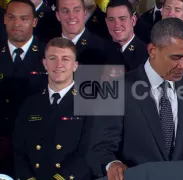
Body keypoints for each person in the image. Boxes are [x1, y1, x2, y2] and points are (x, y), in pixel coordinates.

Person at [90, 18, 183, 179]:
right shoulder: (116, 89)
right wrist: (112, 164)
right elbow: (101, 148)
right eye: (176, 57)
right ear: (152, 50)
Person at [13, 37, 93, 180]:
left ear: (75, 65)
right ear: (44, 63)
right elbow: (18, 149)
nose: (58, 64)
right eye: (53, 58)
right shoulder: (31, 103)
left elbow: (89, 151)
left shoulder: (91, 104)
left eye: (65, 59)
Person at [0, 0, 47, 175]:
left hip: (38, 146)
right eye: (11, 17)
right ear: (4, 19)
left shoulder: (49, 55)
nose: (17, 23)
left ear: (34, 22)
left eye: (24, 18)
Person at [55, 0, 120, 65]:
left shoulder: (106, 49)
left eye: (76, 10)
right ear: (57, 15)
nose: (71, 16)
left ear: (85, 13)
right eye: (65, 11)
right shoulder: (47, 48)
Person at [105, 0, 149, 71]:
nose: (117, 25)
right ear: (106, 22)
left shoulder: (146, 56)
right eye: (111, 19)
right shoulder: (99, 50)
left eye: (122, 19)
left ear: (133, 20)